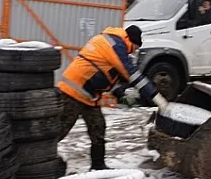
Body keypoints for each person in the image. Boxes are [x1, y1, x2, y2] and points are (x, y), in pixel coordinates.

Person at [57, 25, 169, 170]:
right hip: (72, 91)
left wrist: (122, 96)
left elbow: (107, 73)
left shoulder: (115, 44)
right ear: (131, 41)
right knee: (61, 129)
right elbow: (132, 74)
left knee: (98, 127)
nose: (134, 51)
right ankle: (38, 159)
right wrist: (157, 98)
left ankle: (98, 166)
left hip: (88, 96)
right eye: (135, 47)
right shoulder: (115, 44)